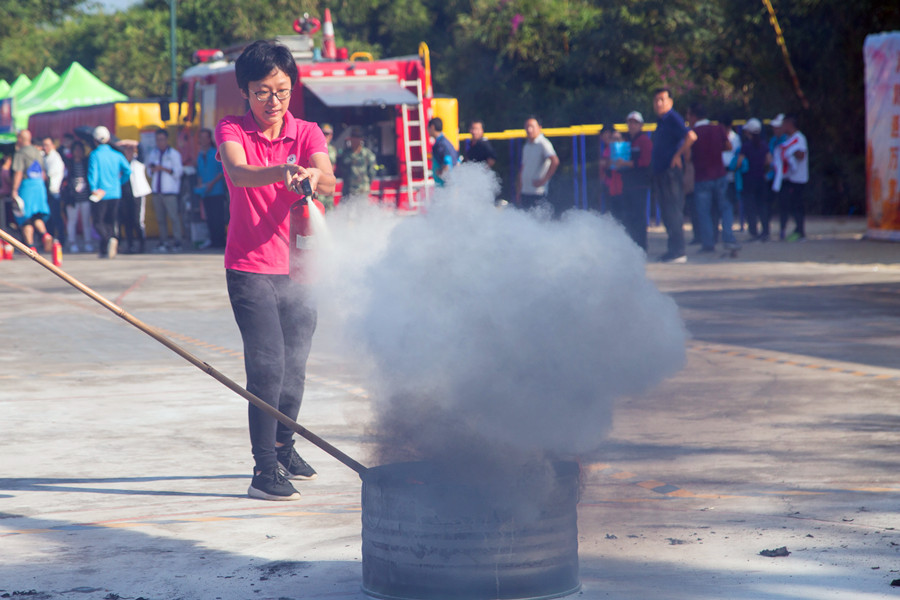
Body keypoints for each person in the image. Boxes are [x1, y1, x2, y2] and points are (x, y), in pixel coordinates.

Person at [215, 39, 335, 501]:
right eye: (262, 92)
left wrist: (313, 175)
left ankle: (285, 448)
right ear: (245, 91)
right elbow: (240, 173)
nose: (273, 101)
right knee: (268, 366)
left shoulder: (307, 131)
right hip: (250, 269)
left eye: (282, 91)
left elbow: (328, 177)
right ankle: (263, 470)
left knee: (296, 367)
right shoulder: (232, 128)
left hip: (301, 268)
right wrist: (283, 171)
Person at [650, 87, 695, 263]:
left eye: (662, 99)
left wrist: (677, 155)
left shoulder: (672, 118)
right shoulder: (662, 121)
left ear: (670, 102)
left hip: (671, 173)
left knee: (673, 211)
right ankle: (672, 250)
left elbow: (691, 136)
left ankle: (679, 251)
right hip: (661, 172)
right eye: (656, 100)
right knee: (667, 213)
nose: (659, 103)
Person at [689, 104, 739, 253]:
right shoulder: (718, 129)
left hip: (702, 177)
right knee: (725, 207)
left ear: (693, 116)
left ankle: (708, 244)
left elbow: (688, 155)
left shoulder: (693, 132)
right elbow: (728, 146)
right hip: (720, 174)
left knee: (704, 212)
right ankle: (728, 238)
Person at [87, 125, 131, 259]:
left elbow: (92, 173)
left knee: (98, 222)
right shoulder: (117, 155)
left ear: (95, 140)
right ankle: (105, 248)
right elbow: (128, 171)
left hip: (100, 194)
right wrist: (120, 182)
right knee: (110, 221)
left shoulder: (95, 155)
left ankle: (108, 239)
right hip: (115, 192)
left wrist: (93, 188)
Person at [614, 111, 653, 251]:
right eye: (630, 122)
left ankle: (641, 246)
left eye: (635, 123)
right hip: (627, 184)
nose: (632, 125)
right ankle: (631, 245)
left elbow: (646, 162)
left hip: (640, 184)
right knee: (628, 217)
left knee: (639, 217)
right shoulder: (626, 141)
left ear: (641, 125)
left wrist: (627, 164)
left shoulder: (644, 141)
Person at [10, 130, 53, 252]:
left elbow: (18, 172)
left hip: (27, 187)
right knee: (36, 216)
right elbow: (43, 173)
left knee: (25, 218)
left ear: (20, 139)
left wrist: (14, 190)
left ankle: (30, 247)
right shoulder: (37, 151)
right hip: (39, 186)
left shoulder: (20, 153)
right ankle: (45, 235)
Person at [147, 127, 184, 253]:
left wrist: (162, 168)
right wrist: (153, 169)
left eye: (162, 139)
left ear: (167, 140)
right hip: (157, 191)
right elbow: (149, 171)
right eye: (158, 140)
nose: (160, 142)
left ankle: (177, 241)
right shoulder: (153, 153)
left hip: (170, 191)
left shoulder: (174, 154)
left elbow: (178, 172)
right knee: (160, 219)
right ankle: (164, 241)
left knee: (174, 217)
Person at [774, 114, 809, 242]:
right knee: (788, 205)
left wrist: (791, 151)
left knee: (798, 206)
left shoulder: (799, 138)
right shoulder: (788, 139)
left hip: (798, 179)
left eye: (784, 124)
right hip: (789, 178)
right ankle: (793, 230)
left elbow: (801, 155)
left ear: (789, 124)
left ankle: (801, 232)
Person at [516, 115, 559, 211]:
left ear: (539, 128)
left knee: (537, 218)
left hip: (538, 193)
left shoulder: (543, 143)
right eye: (527, 127)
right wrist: (519, 189)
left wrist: (544, 180)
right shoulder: (527, 145)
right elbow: (523, 168)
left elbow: (555, 161)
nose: (529, 130)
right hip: (525, 191)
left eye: (532, 126)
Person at [117, 140, 152, 253]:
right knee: (127, 221)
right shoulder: (121, 162)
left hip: (137, 194)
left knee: (137, 221)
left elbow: (141, 147)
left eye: (130, 150)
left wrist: (127, 142)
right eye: (126, 150)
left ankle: (142, 244)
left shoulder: (138, 161)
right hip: (124, 195)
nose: (128, 152)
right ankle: (130, 245)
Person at [195, 128, 228, 248]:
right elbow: (199, 172)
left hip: (216, 191)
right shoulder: (200, 155)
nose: (203, 140)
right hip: (205, 192)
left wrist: (212, 183)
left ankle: (220, 241)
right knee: (209, 217)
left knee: (218, 217)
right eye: (201, 138)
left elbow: (222, 171)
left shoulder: (216, 153)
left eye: (205, 137)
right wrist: (201, 185)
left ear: (209, 139)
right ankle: (213, 240)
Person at [738, 118, 770, 241]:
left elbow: (739, 162)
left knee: (750, 208)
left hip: (748, 180)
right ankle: (765, 231)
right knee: (762, 206)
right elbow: (769, 161)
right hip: (761, 179)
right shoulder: (764, 145)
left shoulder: (746, 146)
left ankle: (753, 233)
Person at [64, 141, 93, 253]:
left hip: (85, 197)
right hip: (72, 198)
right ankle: (72, 242)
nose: (78, 152)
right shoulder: (68, 163)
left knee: (86, 221)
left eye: (80, 150)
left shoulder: (86, 163)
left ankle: (88, 242)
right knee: (72, 221)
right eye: (76, 150)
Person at [336, 126, 377, 202]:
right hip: (348, 190)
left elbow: (372, 172)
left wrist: (366, 184)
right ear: (351, 138)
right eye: (354, 137)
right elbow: (342, 169)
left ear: (361, 139)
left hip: (362, 191)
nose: (355, 139)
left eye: (358, 137)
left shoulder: (368, 154)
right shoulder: (346, 154)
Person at [765, 114, 787, 239]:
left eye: (777, 127)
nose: (775, 129)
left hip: (783, 177)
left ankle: (782, 229)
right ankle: (766, 230)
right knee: (768, 203)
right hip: (772, 176)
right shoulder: (773, 140)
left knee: (783, 204)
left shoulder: (787, 140)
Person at [42, 136, 66, 246]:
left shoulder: (54, 158)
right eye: (44, 145)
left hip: (54, 191)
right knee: (49, 217)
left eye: (47, 145)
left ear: (53, 146)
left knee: (56, 217)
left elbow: (48, 175)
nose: (45, 147)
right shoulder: (45, 156)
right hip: (48, 191)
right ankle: (51, 239)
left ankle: (60, 239)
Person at [598, 123, 624, 218]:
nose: (606, 138)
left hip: (618, 185)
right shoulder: (607, 149)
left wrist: (606, 163)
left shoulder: (618, 147)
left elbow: (619, 164)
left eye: (609, 136)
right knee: (612, 212)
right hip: (610, 185)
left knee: (619, 212)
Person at [428, 117, 457, 187]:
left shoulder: (440, 144)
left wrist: (442, 173)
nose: (427, 130)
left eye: (428, 128)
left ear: (432, 127)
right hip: (446, 184)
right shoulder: (443, 141)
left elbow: (448, 162)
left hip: (445, 186)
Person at [319, 123, 337, 210]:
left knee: (330, 212)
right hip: (318, 188)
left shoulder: (332, 150)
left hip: (329, 186)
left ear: (331, 135)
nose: (325, 136)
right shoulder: (315, 149)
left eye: (327, 134)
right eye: (323, 133)